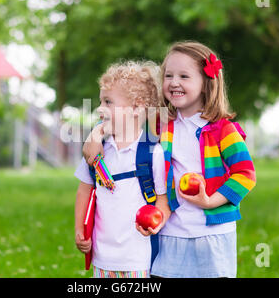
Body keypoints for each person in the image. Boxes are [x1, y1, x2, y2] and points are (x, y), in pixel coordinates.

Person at [82, 41, 256, 278]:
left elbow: (245, 174)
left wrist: (210, 201)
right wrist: (96, 134)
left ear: (206, 84)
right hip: (170, 231)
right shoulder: (161, 124)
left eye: (184, 76)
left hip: (212, 232)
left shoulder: (223, 130)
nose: (174, 82)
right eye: (169, 75)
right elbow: (122, 122)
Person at [74, 61, 170, 278]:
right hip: (102, 257)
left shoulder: (152, 154)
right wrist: (80, 229)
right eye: (100, 101)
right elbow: (84, 190)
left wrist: (158, 220)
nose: (100, 108)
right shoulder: (95, 152)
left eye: (108, 102)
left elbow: (163, 199)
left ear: (136, 108)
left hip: (138, 257)